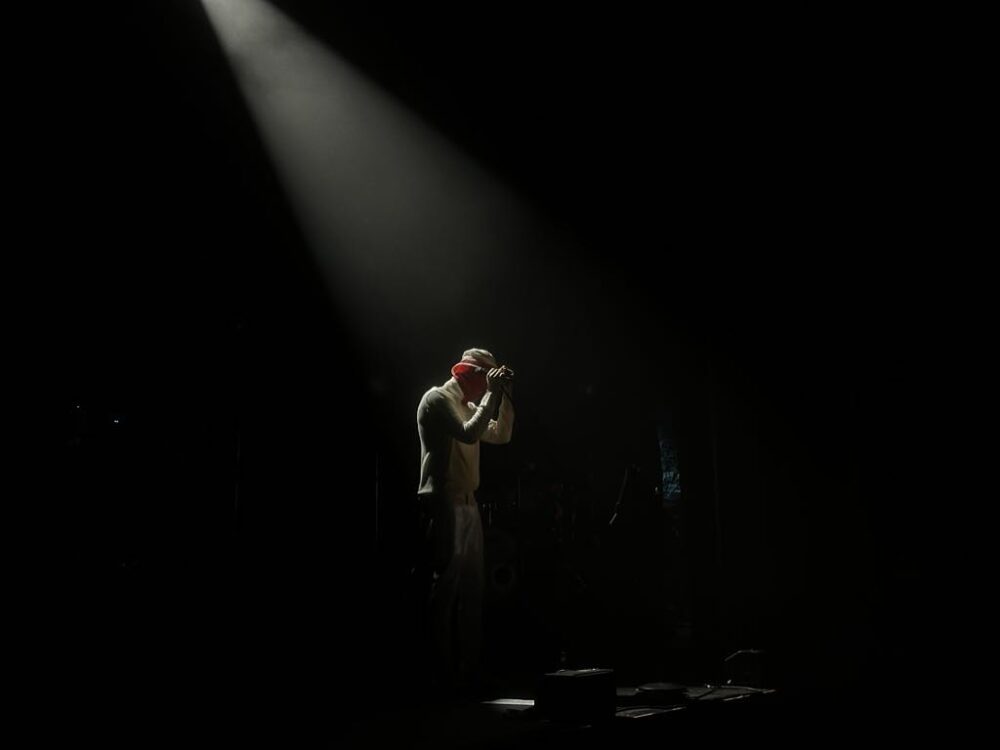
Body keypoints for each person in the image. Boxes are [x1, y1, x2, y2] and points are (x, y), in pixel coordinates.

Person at [416, 348, 514, 693]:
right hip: (445, 500)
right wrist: (491, 395)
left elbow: (501, 434)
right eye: (486, 379)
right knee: (446, 590)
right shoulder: (437, 399)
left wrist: (504, 396)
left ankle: (468, 672)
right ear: (466, 373)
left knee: (472, 591)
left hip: (468, 503)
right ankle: (439, 673)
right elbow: (469, 433)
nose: (487, 386)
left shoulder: (471, 404)